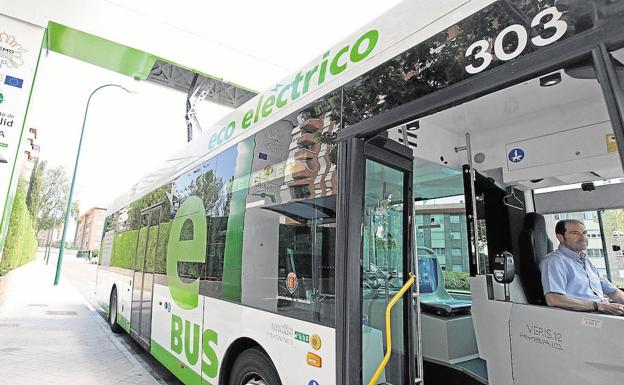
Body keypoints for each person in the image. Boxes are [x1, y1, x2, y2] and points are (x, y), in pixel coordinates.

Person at [540, 219, 624, 315]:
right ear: (560, 237)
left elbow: (613, 292)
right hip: (583, 318)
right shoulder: (554, 262)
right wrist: (599, 305)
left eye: (584, 233)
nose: (582, 237)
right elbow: (554, 299)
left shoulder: (587, 262)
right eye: (575, 233)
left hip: (601, 313)